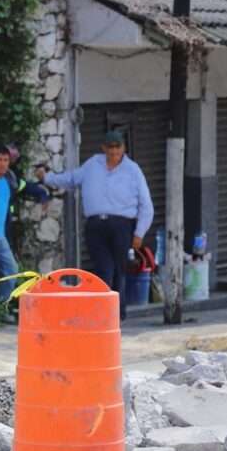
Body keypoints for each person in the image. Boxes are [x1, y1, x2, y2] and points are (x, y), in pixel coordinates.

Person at [35, 129, 154, 320]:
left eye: (118, 150)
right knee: (103, 269)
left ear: (123, 148)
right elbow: (71, 178)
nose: (114, 154)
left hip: (122, 225)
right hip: (96, 225)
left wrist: (139, 233)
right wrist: (47, 178)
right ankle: (102, 312)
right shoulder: (93, 164)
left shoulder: (133, 170)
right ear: (104, 148)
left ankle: (117, 314)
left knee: (119, 270)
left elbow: (146, 205)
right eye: (110, 150)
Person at [0, 144, 48, 307]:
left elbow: (27, 187)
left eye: (6, 160)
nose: (3, 163)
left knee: (11, 270)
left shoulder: (10, 179)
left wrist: (43, 194)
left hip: (0, 235)